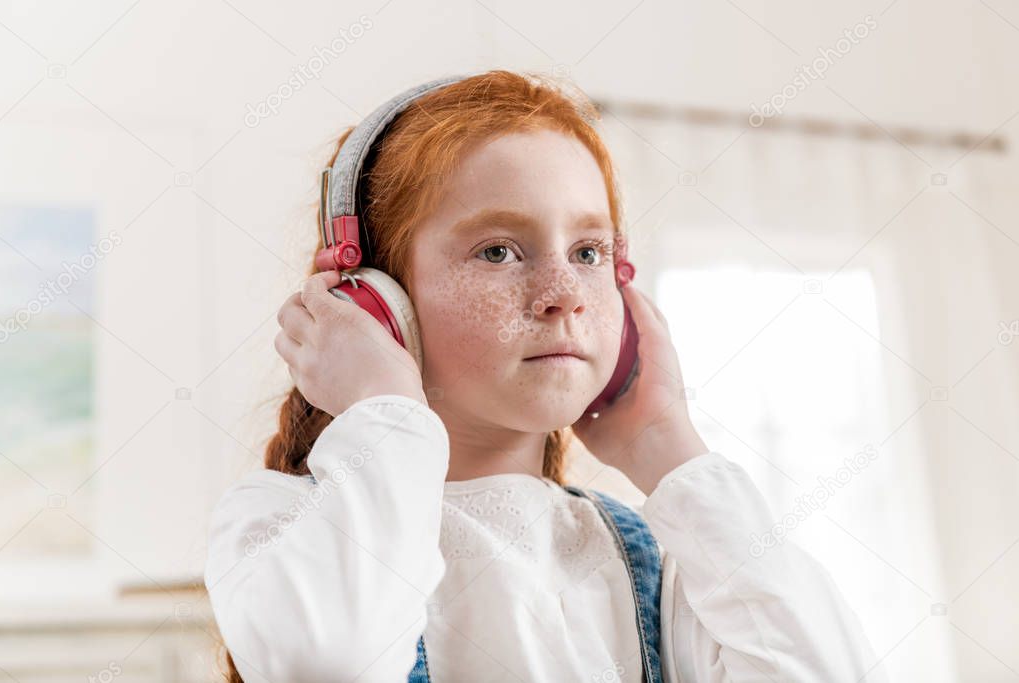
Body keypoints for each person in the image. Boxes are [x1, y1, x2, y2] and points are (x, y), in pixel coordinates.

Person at [204, 69, 887, 682]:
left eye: (589, 250)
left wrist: (664, 441)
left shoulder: (662, 558)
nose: (565, 291)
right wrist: (383, 409)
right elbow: (326, 661)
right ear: (375, 304)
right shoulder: (280, 522)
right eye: (497, 250)